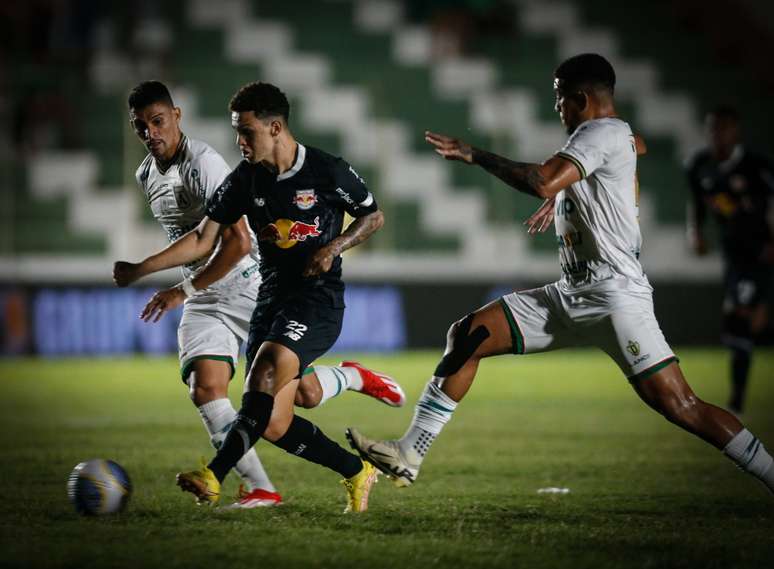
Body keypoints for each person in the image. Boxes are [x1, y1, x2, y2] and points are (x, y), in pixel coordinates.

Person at [346, 53, 774, 496]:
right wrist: (575, 185)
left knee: (683, 407)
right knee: (468, 333)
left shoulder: (599, 132)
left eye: (559, 98)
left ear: (582, 99)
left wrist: (476, 155)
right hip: (571, 295)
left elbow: (541, 180)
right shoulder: (615, 134)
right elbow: (634, 144)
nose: (557, 108)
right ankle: (409, 453)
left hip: (614, 297)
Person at [112, 80, 403, 510]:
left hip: (316, 299)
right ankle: (357, 471)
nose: (239, 142)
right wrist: (157, 277)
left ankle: (216, 474)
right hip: (270, 299)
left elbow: (373, 216)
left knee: (264, 375)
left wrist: (334, 246)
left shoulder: (326, 170)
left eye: (245, 133)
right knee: (275, 422)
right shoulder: (244, 180)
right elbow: (204, 237)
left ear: (275, 128)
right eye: (237, 132)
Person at [685, 106, 774, 414]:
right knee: (744, 323)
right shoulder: (699, 165)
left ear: (736, 132)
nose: (717, 134)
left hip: (762, 253)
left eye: (723, 128)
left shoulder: (757, 167)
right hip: (732, 255)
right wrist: (695, 233)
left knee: (739, 319)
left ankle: (736, 400)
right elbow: (696, 203)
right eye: (712, 128)